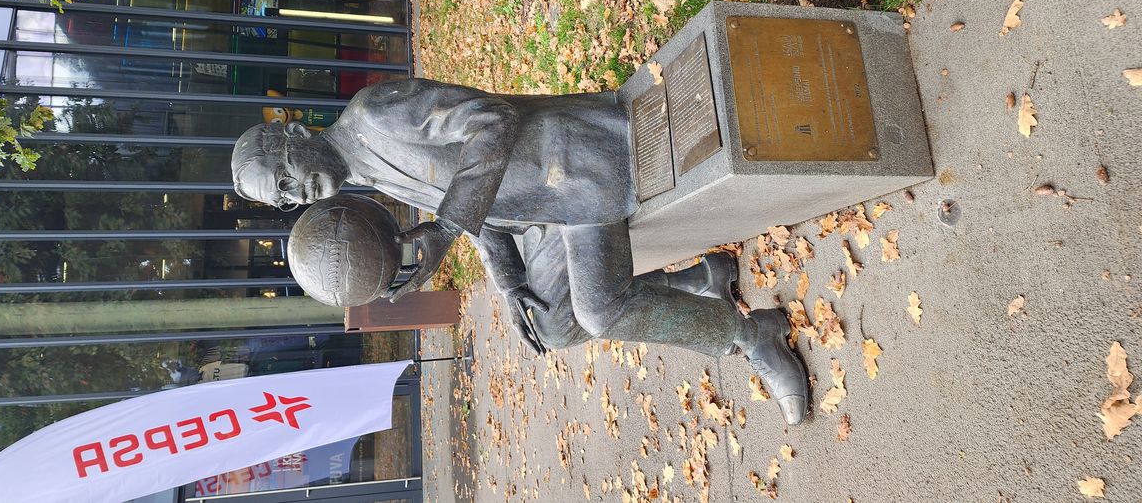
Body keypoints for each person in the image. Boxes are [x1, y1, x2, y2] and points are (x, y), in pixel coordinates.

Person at [232, 78, 809, 424]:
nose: (294, 194)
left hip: (573, 168)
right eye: (282, 198)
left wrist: (445, 228)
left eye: (283, 176)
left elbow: (493, 120)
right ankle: (698, 280)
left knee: (599, 311)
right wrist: (508, 282)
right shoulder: (366, 174)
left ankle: (749, 334)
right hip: (542, 213)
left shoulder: (373, 114)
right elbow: (481, 215)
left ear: (296, 136)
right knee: (551, 326)